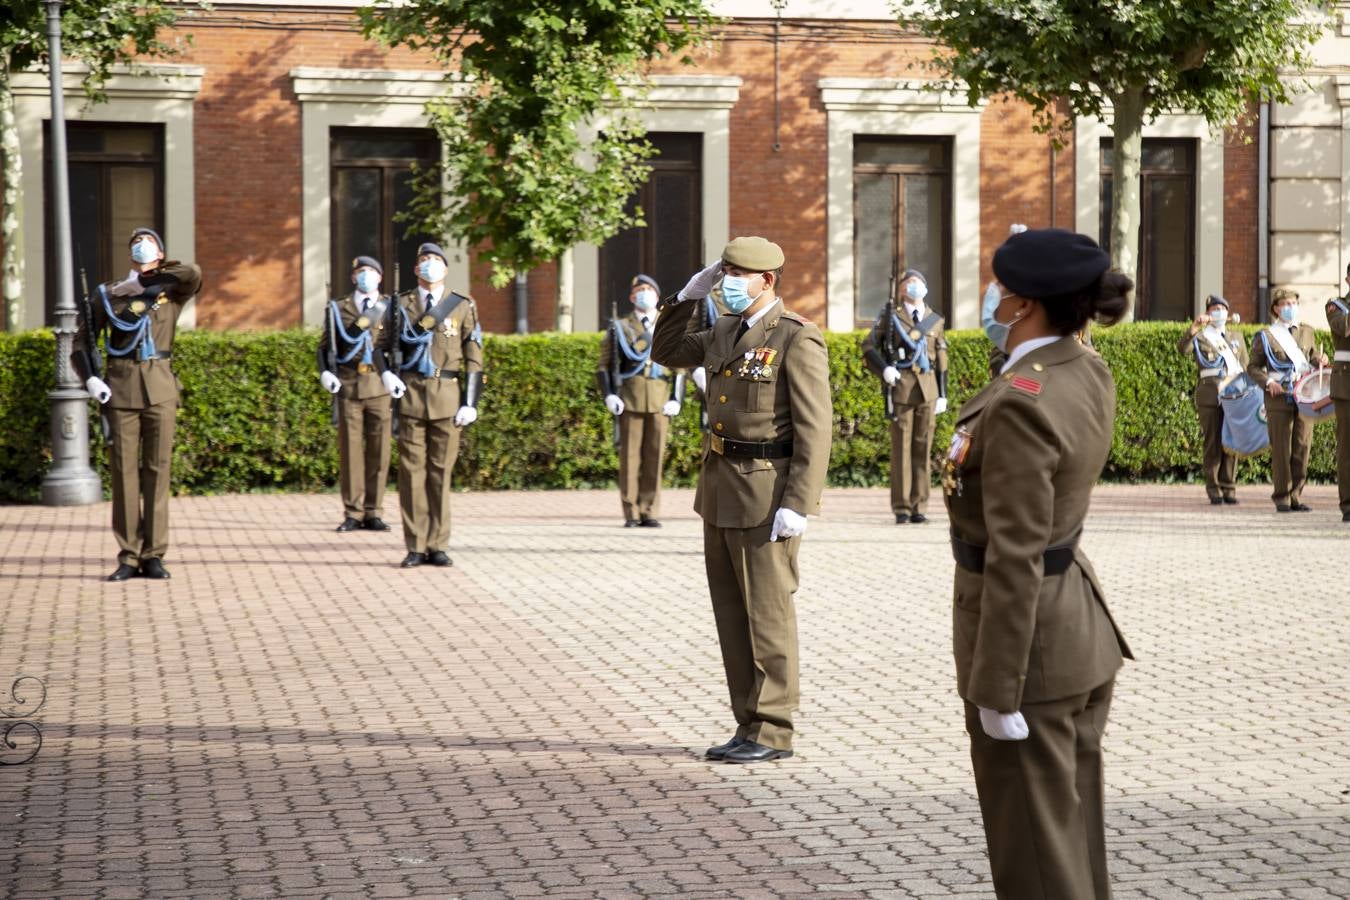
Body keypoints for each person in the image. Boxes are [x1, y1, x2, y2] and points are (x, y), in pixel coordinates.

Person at [946, 228, 1133, 898]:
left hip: (1030, 646)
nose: (992, 295)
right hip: (1073, 626)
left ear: (1022, 303)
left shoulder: (1023, 400)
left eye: (1000, 286)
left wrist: (998, 685)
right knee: (1068, 833)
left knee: (1034, 851)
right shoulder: (1080, 367)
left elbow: (1016, 551)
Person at [652, 237, 832, 765]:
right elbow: (666, 352)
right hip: (721, 488)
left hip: (767, 492)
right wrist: (689, 295)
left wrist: (799, 503)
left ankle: (774, 729)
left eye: (735, 272)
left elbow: (815, 428)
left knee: (767, 615)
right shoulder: (725, 329)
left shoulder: (797, 337)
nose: (725, 278)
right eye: (723, 269)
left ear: (766, 281)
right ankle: (747, 722)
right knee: (733, 613)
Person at [74, 228, 202, 582]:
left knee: (158, 471)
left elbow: (194, 272)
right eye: (135, 244)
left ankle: (154, 554)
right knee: (124, 474)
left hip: (160, 387)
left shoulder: (172, 291)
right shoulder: (109, 293)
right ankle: (129, 555)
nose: (141, 246)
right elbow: (82, 341)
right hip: (120, 387)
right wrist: (90, 379)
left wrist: (151, 279)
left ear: (160, 252)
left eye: (148, 243)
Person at [387, 242, 483, 567]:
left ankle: (438, 544)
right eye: (424, 260)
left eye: (435, 260)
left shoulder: (460, 305)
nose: (430, 265)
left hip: (448, 397)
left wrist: (470, 400)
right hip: (411, 394)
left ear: (445, 268)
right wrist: (387, 375)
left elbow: (474, 354)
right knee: (412, 475)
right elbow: (380, 345)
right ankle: (415, 545)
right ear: (416, 270)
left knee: (440, 474)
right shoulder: (400, 304)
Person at [597, 275, 686, 527]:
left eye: (649, 289)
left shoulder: (667, 325)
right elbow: (604, 365)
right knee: (630, 459)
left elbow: (679, 365)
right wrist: (609, 394)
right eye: (639, 290)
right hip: (631, 398)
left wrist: (676, 398)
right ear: (631, 297)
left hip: (659, 398)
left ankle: (650, 510)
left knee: (655, 456)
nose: (644, 293)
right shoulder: (620, 327)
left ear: (657, 297)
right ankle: (631, 512)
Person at [861, 269, 947, 524]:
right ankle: (901, 507)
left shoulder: (935, 320)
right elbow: (868, 346)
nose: (914, 287)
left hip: (928, 390)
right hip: (901, 387)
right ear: (901, 290)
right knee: (902, 450)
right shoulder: (890, 316)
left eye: (918, 283)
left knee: (923, 448)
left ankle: (919, 506)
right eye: (909, 284)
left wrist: (943, 393)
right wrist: (884, 369)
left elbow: (941, 357)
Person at [318, 255, 394, 533]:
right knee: (350, 452)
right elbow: (325, 347)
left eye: (371, 271)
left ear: (380, 277)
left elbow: (397, 346)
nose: (366, 276)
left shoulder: (389, 307)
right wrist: (326, 372)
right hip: (349, 384)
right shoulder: (338, 308)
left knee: (379, 450)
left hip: (379, 385)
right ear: (353, 278)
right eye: (361, 272)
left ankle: (374, 510)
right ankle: (353, 511)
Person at [1248, 287, 1329, 512]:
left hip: (1305, 395)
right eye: (1285, 304)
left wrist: (1320, 360)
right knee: (1282, 448)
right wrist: (1267, 383)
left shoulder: (1307, 332)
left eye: (1293, 303)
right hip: (1278, 395)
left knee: (1302, 446)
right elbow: (1253, 367)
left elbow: (1312, 359)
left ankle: (1296, 495)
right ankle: (1281, 496)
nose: (1290, 308)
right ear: (1276, 308)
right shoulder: (1266, 335)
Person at [1177, 294, 1249, 505]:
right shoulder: (1201, 336)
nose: (1218, 312)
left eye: (1222, 308)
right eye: (1214, 309)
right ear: (1208, 313)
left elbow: (1245, 366)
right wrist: (1194, 328)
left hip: (1234, 394)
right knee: (1213, 442)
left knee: (1232, 441)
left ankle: (1229, 487)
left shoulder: (1236, 337)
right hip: (1210, 393)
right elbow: (1183, 349)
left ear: (1227, 312)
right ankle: (1213, 487)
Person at [1328, 265, 1350, 523]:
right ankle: (1347, 504)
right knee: (1347, 450)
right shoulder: (1337, 306)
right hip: (1346, 387)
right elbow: (1343, 329)